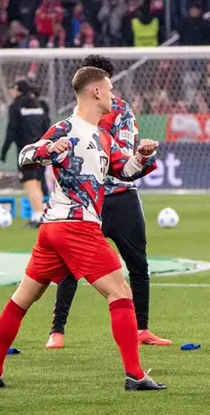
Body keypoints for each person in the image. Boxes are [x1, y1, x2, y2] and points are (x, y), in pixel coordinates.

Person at [0, 66, 164, 391]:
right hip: (75, 226)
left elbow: (125, 170)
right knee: (120, 291)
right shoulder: (65, 129)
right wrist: (47, 150)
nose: (112, 96)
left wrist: (142, 156)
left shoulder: (103, 136)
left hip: (53, 229)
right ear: (95, 92)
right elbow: (25, 156)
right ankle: (135, 375)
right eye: (108, 90)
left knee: (23, 298)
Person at [47, 56, 172, 349]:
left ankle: (142, 329)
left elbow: (125, 154)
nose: (110, 91)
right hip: (86, 201)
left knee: (137, 264)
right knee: (69, 266)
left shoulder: (120, 110)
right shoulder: (73, 118)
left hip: (119, 196)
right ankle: (57, 330)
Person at [0, 80, 51, 225]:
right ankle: (39, 215)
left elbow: (11, 130)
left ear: (18, 90)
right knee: (38, 183)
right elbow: (47, 126)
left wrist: (4, 151)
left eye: (13, 89)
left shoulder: (16, 106)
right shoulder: (40, 105)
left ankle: (37, 216)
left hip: (26, 151)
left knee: (31, 183)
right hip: (42, 148)